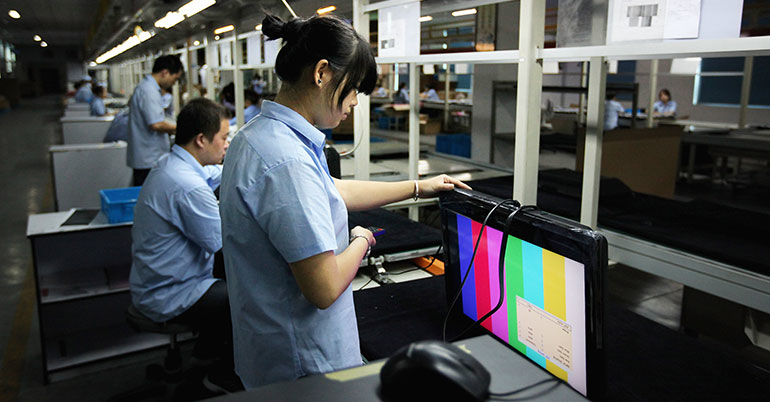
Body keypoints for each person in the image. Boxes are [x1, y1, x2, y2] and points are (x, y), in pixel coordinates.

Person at [219, 13, 470, 390]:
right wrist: (361, 240)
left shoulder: (260, 135)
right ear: (321, 73)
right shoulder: (286, 161)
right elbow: (324, 287)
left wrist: (420, 187)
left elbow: (334, 189)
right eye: (352, 88)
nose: (354, 102)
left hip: (271, 348)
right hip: (304, 365)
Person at [129, 98, 241, 393]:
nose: (227, 144)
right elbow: (225, 243)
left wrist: (246, 162)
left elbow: (215, 174)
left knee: (231, 278)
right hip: (170, 292)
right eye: (224, 138)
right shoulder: (187, 185)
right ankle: (221, 374)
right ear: (201, 140)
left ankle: (205, 354)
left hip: (157, 281)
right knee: (247, 294)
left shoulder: (173, 164)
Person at [127, 55, 184, 186]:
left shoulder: (147, 88)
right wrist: (185, 128)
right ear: (165, 73)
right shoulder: (149, 90)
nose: (174, 83)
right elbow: (156, 124)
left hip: (147, 156)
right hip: (149, 158)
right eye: (175, 78)